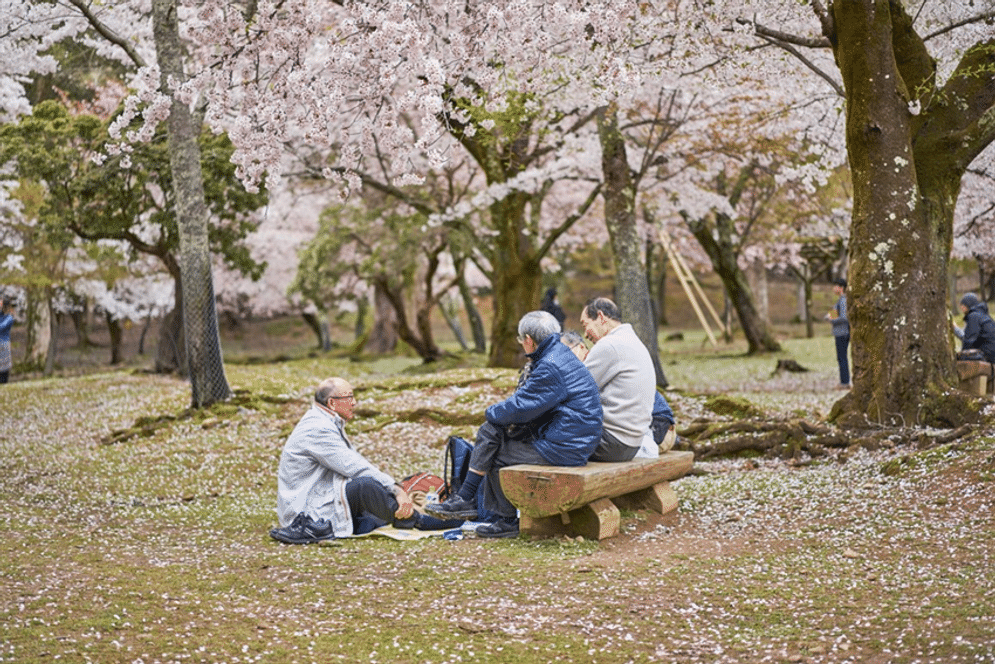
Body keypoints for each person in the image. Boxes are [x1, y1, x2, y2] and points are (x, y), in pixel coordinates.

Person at [424, 311, 603, 538]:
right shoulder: (559, 354)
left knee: (495, 450)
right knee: (492, 433)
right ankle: (467, 499)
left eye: (521, 341)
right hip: (571, 439)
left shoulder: (550, 365)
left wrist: (489, 411)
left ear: (528, 340)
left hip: (567, 447)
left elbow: (521, 407)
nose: (521, 346)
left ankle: (500, 517)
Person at [272, 377, 459, 544]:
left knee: (371, 519)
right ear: (332, 403)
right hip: (305, 511)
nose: (354, 402)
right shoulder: (317, 429)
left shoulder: (325, 420)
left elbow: (351, 464)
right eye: (349, 398)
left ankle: (403, 515)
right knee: (365, 487)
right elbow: (354, 468)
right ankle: (416, 520)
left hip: (323, 494)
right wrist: (397, 490)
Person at [579, 297, 657, 462]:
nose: (585, 334)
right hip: (632, 443)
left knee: (541, 440)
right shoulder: (632, 341)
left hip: (611, 443)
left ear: (600, 317)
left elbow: (575, 389)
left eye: (585, 325)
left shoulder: (610, 345)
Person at [954, 292, 995, 363]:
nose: (961, 308)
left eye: (962, 305)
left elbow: (968, 340)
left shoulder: (973, 316)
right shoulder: (982, 315)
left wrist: (962, 355)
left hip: (987, 354)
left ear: (967, 305)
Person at [825, 278, 850, 388]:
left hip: (842, 332)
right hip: (839, 332)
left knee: (842, 357)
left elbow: (844, 317)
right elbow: (837, 313)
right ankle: (844, 381)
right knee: (841, 357)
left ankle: (844, 382)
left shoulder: (843, 300)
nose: (833, 289)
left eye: (835, 286)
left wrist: (831, 319)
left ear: (841, 288)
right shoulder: (840, 300)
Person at [0, 298, 14, 384]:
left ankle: (4, 383)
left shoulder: (9, 318)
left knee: (4, 367)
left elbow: (2, 327)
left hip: (4, 344)